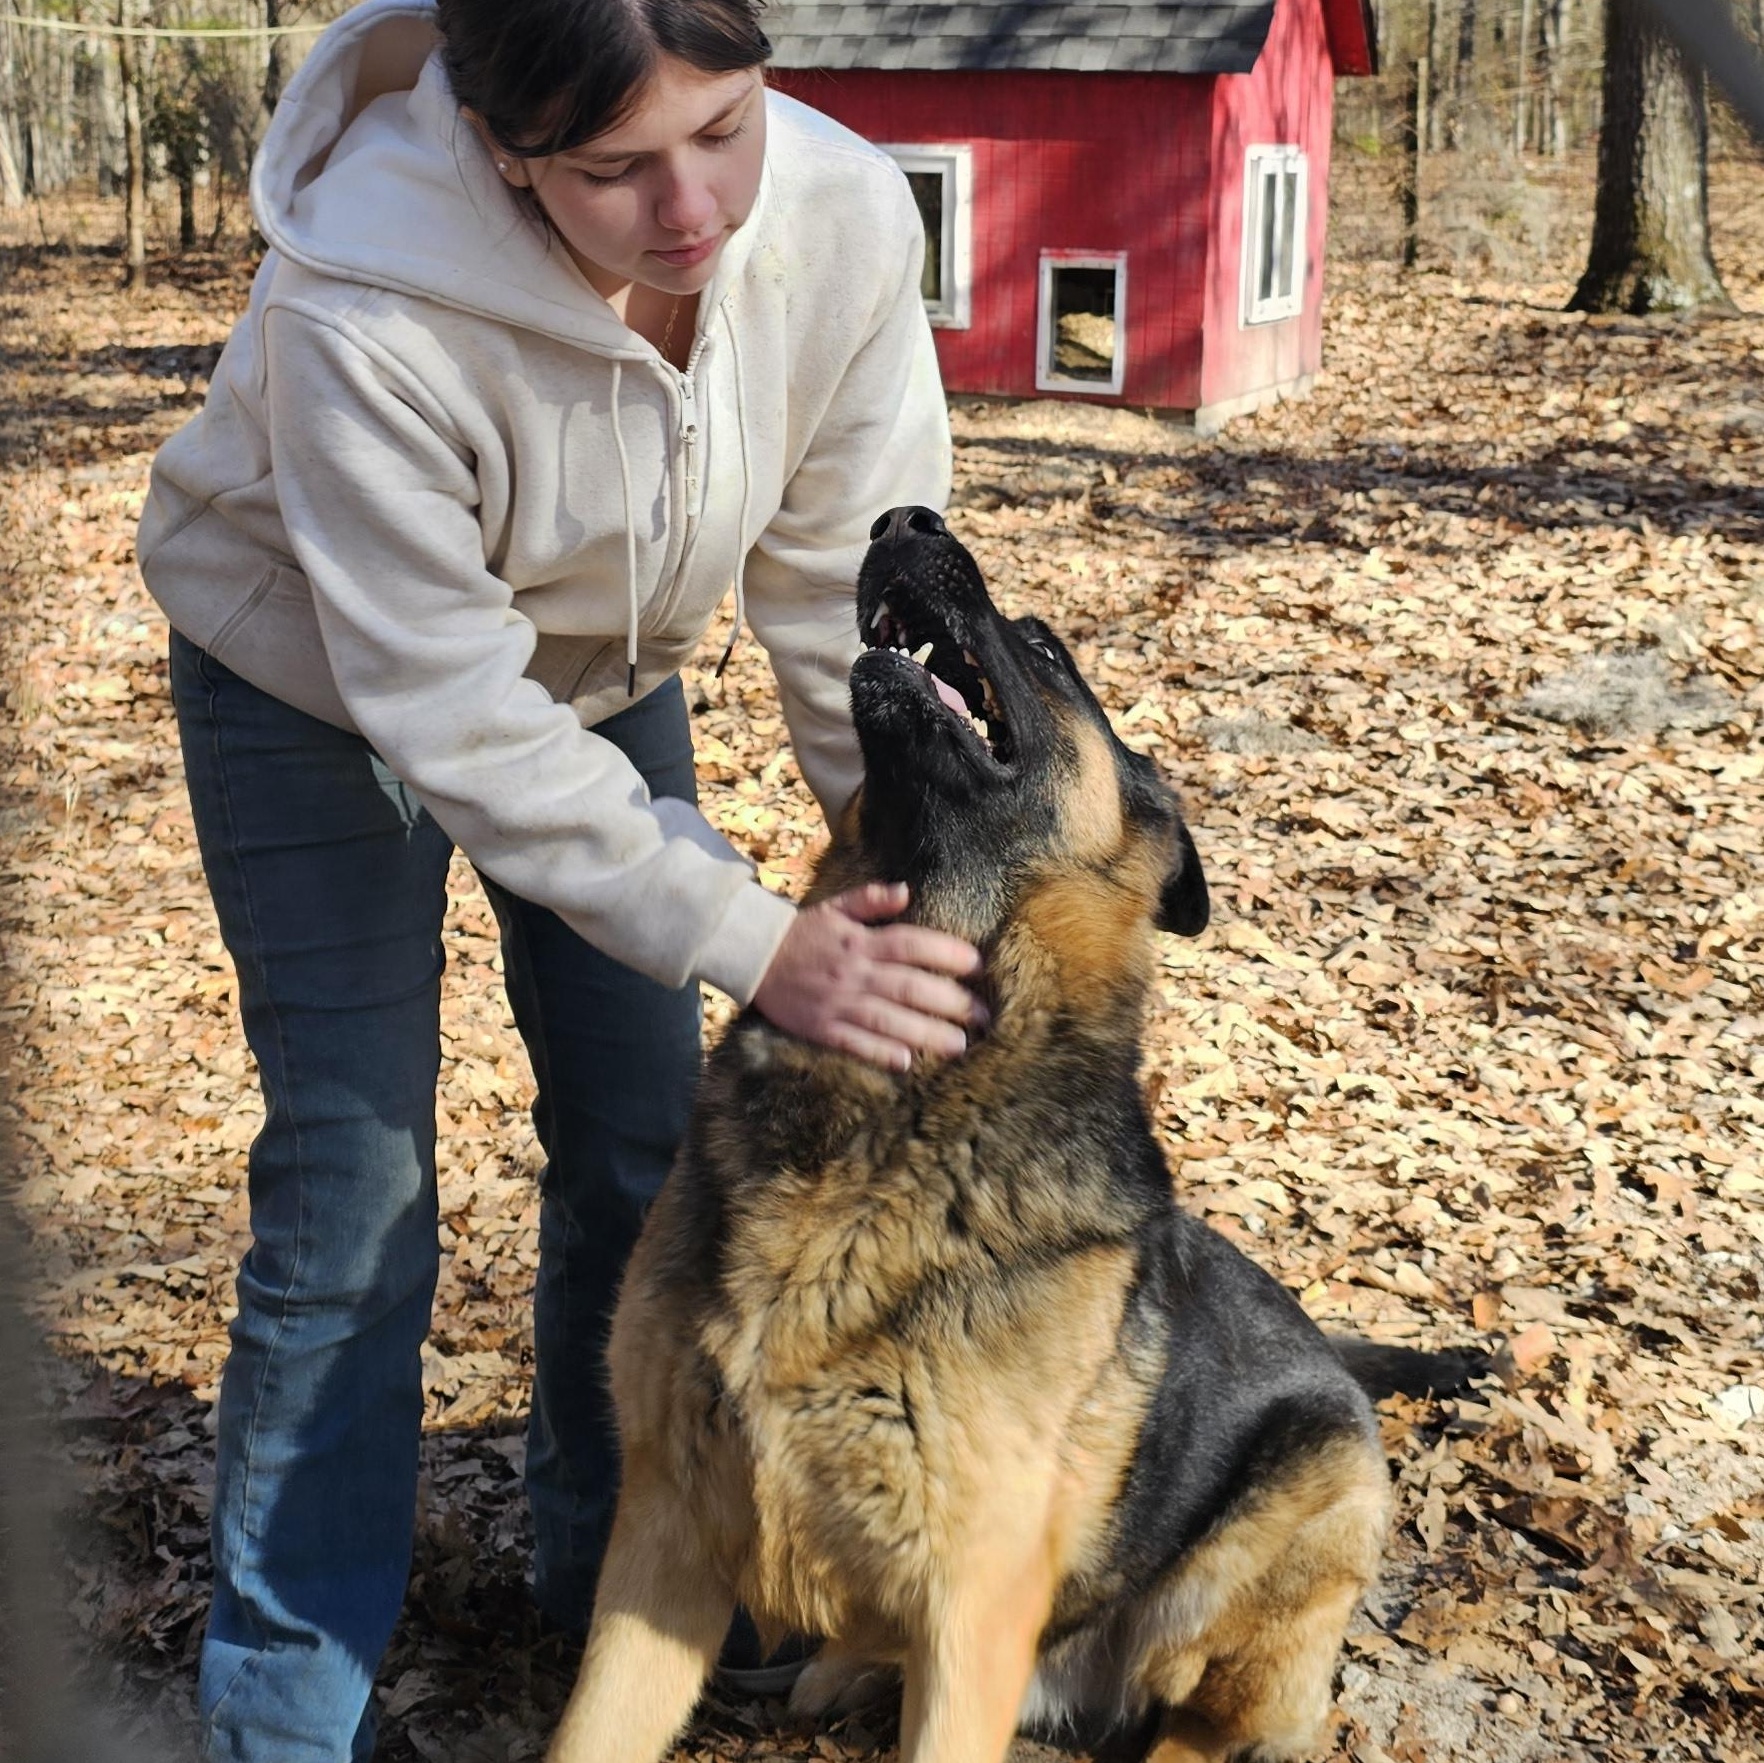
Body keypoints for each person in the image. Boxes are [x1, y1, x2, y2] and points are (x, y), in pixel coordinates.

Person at [135, 1, 984, 1756]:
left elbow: (845, 600)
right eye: (615, 169)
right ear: (505, 147)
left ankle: (623, 1575)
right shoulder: (364, 299)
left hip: (597, 673)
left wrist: (887, 884)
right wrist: (755, 938)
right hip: (312, 677)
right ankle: (286, 1705)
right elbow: (447, 712)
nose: (695, 210)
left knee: (639, 1138)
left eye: (727, 126)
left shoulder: (834, 221)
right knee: (353, 1192)